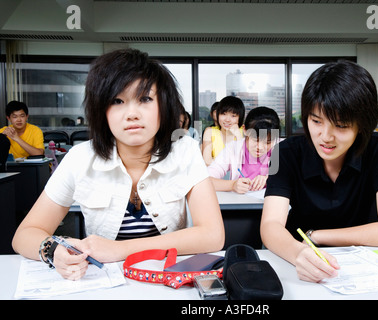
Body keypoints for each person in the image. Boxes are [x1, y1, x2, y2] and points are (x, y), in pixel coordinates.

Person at [12, 49, 225, 280]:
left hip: (166, 281)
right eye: (117, 101)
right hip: (100, 282)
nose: (132, 113)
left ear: (163, 106)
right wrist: (54, 251)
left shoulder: (185, 151)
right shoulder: (80, 158)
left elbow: (213, 235)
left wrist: (121, 250)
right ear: (101, 110)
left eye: (145, 99)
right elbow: (24, 235)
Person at [260, 61, 378, 283]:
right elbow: (270, 225)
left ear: (362, 125)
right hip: (300, 264)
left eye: (340, 125)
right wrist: (299, 252)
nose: (325, 136)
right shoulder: (283, 151)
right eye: (316, 121)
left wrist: (316, 236)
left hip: (363, 266)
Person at [208, 106, 280, 193]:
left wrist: (270, 179)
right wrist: (232, 185)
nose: (260, 147)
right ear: (245, 130)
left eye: (268, 142)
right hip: (240, 204)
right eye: (256, 140)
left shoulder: (280, 148)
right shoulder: (233, 148)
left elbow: (294, 178)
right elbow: (206, 180)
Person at [202, 96, 245, 165]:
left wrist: (238, 136)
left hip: (240, 175)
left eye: (233, 116)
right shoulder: (209, 132)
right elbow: (207, 161)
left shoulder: (244, 131)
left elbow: (244, 161)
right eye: (223, 114)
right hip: (215, 174)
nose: (227, 119)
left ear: (240, 117)